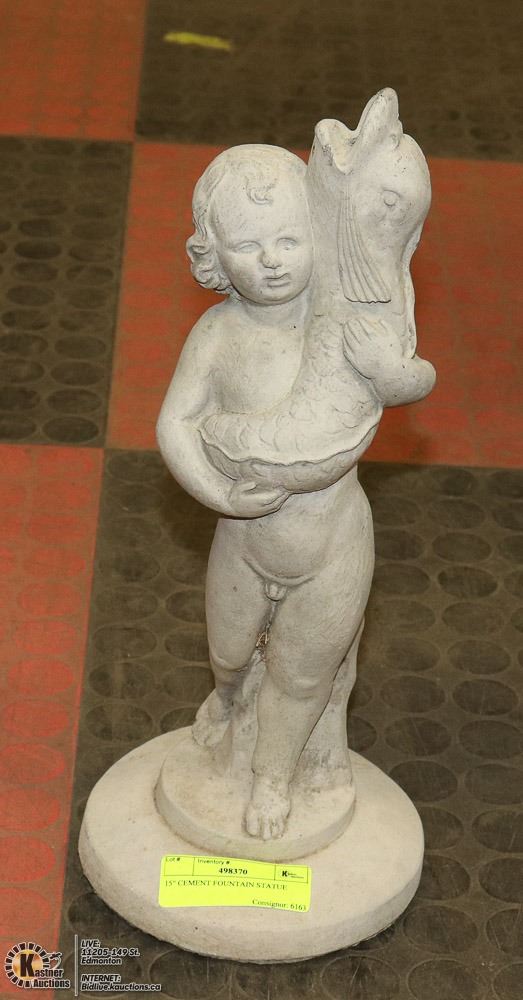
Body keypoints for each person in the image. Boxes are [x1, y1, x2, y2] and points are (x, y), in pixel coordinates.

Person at [157, 144, 425, 840]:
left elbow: (412, 381)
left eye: (288, 239)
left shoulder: (340, 323)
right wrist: (219, 494)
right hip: (244, 539)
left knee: (301, 676)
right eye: (247, 246)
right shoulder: (217, 333)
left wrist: (389, 372)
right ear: (214, 255)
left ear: (319, 236)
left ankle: (272, 777)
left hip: (331, 543)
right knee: (227, 653)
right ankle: (225, 700)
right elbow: (174, 424)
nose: (272, 260)